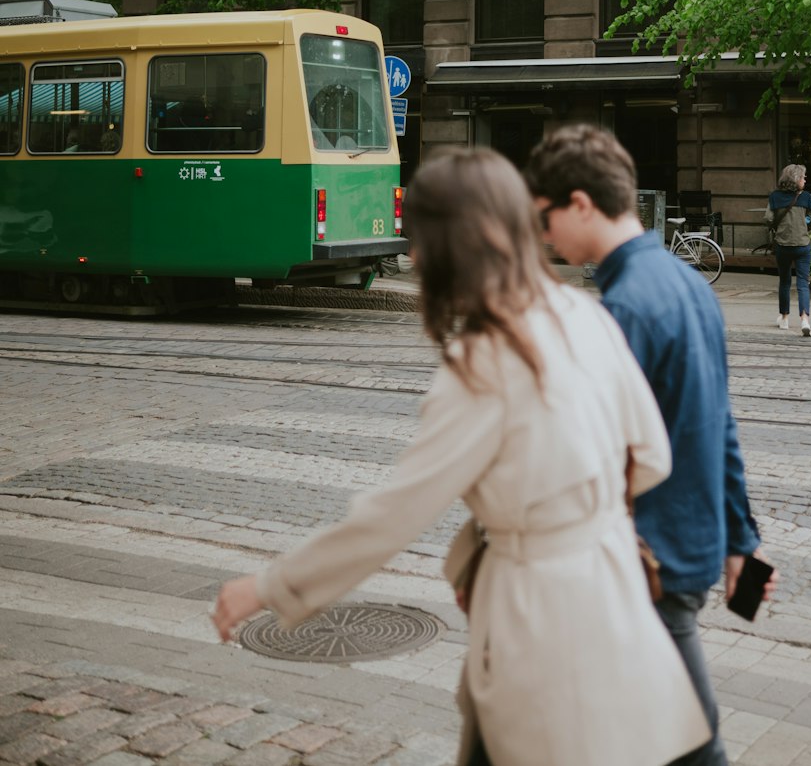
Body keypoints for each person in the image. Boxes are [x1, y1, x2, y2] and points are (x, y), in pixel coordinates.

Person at [212, 147, 710, 766]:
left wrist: (267, 587)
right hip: (612, 588)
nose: (414, 257)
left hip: (538, 608)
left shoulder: (482, 363)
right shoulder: (582, 312)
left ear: (452, 246)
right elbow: (653, 455)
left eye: (419, 239)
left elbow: (390, 516)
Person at [524, 125, 773, 766]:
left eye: (547, 218)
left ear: (580, 204)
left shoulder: (623, 308)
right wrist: (741, 539)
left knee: (689, 741)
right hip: (686, 545)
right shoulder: (690, 284)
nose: (546, 236)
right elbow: (720, 422)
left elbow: (592, 456)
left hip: (644, 562)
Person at [765, 163, 811, 337]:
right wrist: (804, 229)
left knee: (785, 282)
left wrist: (779, 227)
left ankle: (784, 319)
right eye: (803, 177)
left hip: (783, 245)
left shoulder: (774, 197)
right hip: (803, 246)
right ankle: (805, 320)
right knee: (803, 283)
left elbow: (768, 218)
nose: (805, 179)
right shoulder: (807, 198)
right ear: (796, 179)